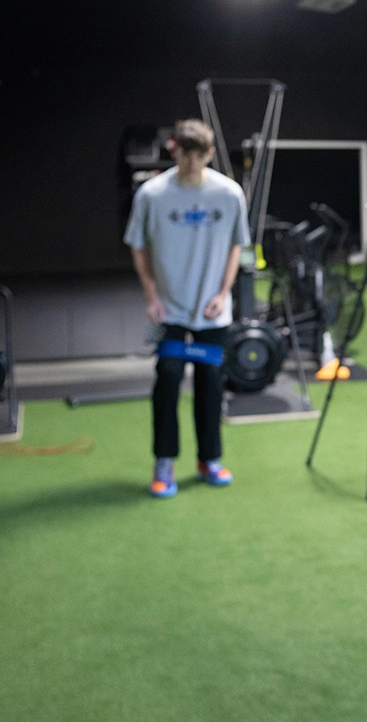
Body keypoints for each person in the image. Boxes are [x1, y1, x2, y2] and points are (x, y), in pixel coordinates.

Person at [124, 119, 251, 498]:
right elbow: (138, 246)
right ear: (174, 149)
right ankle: (164, 460)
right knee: (168, 376)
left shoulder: (229, 194)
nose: (192, 164)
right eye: (184, 154)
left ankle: (209, 459)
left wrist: (224, 292)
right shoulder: (152, 194)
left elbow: (235, 245)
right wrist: (151, 296)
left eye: (199, 156)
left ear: (210, 154)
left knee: (212, 383)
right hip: (171, 310)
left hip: (213, 310)